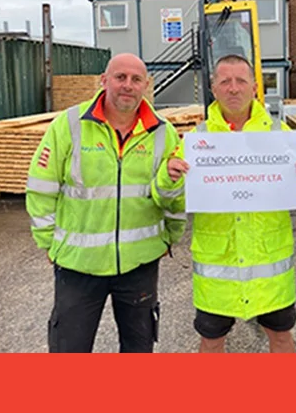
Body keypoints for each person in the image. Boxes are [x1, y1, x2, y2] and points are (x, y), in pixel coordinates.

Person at [157, 55, 296, 353]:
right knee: (211, 341)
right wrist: (169, 180)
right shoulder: (196, 140)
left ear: (255, 87)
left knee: (282, 338)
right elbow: (170, 200)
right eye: (225, 81)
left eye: (241, 80)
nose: (233, 88)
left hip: (269, 269)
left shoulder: (280, 137)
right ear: (214, 89)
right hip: (217, 270)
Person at [25, 54, 184, 353]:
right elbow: (41, 187)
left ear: (146, 85)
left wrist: (170, 237)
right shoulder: (69, 125)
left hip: (140, 264)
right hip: (77, 266)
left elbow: (175, 195)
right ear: (104, 80)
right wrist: (48, 242)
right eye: (120, 77)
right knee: (69, 349)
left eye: (136, 79)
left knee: (138, 349)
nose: (128, 85)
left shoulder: (164, 133)